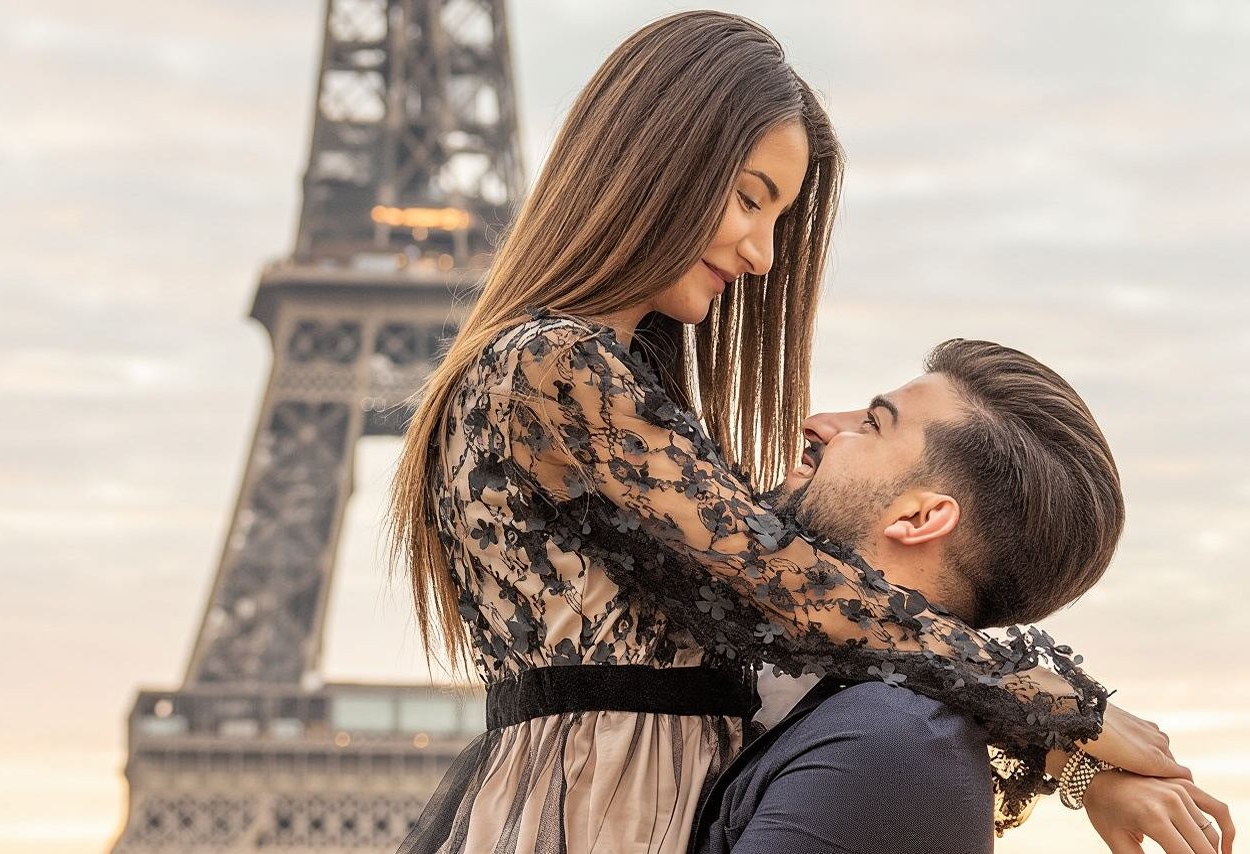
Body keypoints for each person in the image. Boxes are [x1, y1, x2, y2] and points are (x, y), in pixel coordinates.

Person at [387, 11, 1186, 854]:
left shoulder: (619, 393)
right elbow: (798, 592)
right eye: (749, 200)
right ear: (658, 161)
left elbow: (837, 620)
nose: (764, 254)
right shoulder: (554, 366)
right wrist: (1068, 709)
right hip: (592, 816)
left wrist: (1075, 757)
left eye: (776, 217)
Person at [691, 339, 1235, 854]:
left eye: (873, 423)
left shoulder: (893, 742)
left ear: (921, 517)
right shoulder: (808, 677)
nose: (818, 424)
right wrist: (1069, 754)